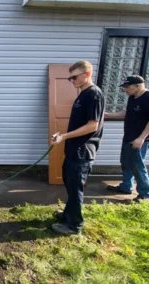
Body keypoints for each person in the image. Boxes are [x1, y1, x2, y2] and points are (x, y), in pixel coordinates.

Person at [50, 60, 105, 235]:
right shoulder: (83, 94)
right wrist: (63, 136)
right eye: (70, 78)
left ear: (86, 74)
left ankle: (74, 226)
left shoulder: (93, 95)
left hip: (83, 151)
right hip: (74, 149)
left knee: (75, 188)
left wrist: (64, 136)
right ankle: (69, 215)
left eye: (74, 77)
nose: (71, 81)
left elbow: (92, 126)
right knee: (70, 183)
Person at [105, 75, 149, 202]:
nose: (125, 89)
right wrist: (107, 115)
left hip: (140, 140)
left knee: (137, 166)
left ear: (138, 85)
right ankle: (125, 187)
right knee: (125, 162)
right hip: (128, 136)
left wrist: (141, 138)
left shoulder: (147, 98)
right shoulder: (132, 97)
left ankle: (145, 193)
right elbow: (126, 113)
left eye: (127, 87)